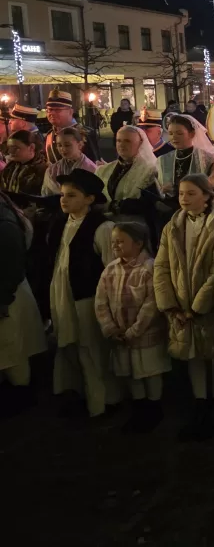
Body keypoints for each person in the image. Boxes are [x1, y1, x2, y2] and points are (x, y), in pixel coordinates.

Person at [154, 173, 214, 441]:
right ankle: (200, 403)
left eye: (191, 194)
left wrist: (198, 306)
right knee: (193, 355)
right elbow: (162, 266)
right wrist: (171, 305)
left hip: (208, 304)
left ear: (206, 196)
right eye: (181, 194)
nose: (184, 199)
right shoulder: (173, 226)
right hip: (181, 302)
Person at [43, 168, 117, 418]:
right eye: (63, 194)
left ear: (90, 199)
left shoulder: (102, 227)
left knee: (91, 348)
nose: (64, 200)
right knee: (68, 345)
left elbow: (111, 269)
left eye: (72, 195)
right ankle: (78, 393)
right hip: (62, 290)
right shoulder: (61, 222)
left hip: (86, 297)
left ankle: (102, 402)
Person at [94, 221, 170, 433]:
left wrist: (135, 331)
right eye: (113, 242)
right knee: (131, 373)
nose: (115, 246)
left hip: (145, 335)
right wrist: (110, 328)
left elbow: (152, 304)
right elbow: (101, 302)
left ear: (138, 243)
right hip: (121, 336)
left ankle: (154, 409)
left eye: (121, 241)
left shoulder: (150, 268)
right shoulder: (110, 269)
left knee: (150, 372)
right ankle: (140, 408)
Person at [0, 190, 46, 417]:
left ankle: (22, 395)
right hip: (9, 293)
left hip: (7, 295)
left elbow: (10, 263)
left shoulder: (4, 221)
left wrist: (3, 300)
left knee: (12, 350)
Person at [156, 114, 214, 196]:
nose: (174, 137)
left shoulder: (208, 159)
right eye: (170, 133)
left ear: (192, 134)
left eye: (179, 133)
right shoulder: (163, 159)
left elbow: (213, 188)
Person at [43, 90, 100, 163]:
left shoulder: (85, 133)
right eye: (49, 109)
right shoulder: (50, 135)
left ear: (70, 112)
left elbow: (94, 164)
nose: (52, 113)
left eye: (57, 110)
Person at [42, 126, 98, 196]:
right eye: (59, 145)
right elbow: (46, 195)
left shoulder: (91, 169)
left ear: (80, 145)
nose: (63, 149)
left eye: (67, 145)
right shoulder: (52, 170)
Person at [0, 130, 49, 195]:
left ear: (31, 147)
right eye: (9, 148)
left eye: (15, 148)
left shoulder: (43, 170)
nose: (10, 151)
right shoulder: (10, 167)